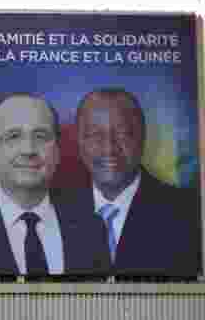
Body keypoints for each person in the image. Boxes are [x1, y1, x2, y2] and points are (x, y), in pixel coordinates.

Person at [0, 93, 110, 277]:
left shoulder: (92, 229)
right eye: (13, 136)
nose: (28, 150)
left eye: (41, 136)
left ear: (57, 150)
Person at [66, 88, 200, 276]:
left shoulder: (190, 211)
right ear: (79, 141)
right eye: (95, 135)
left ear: (143, 137)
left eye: (123, 133)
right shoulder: (57, 210)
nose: (109, 148)